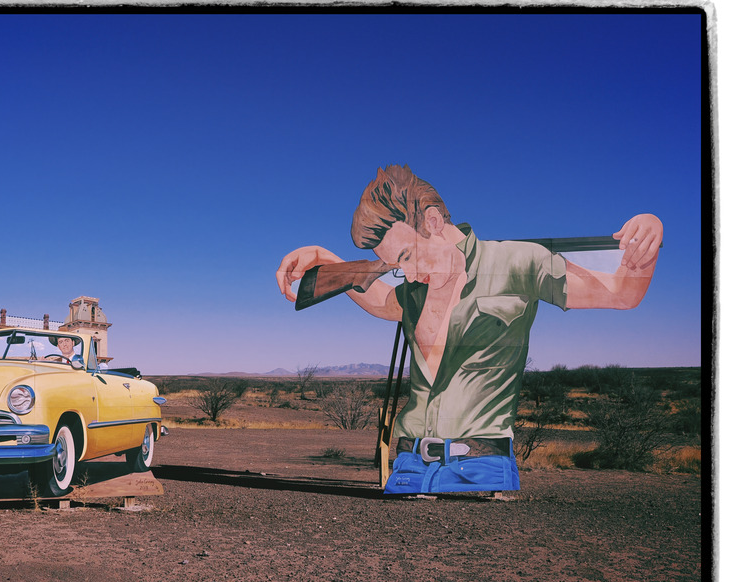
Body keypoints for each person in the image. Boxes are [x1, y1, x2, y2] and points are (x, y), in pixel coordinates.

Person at [276, 165, 662, 494]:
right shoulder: (412, 291)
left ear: (432, 221)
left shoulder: (518, 262)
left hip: (483, 472)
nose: (407, 274)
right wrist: (325, 260)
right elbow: (381, 301)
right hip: (408, 469)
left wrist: (649, 231)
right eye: (397, 267)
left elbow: (621, 293)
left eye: (407, 256)